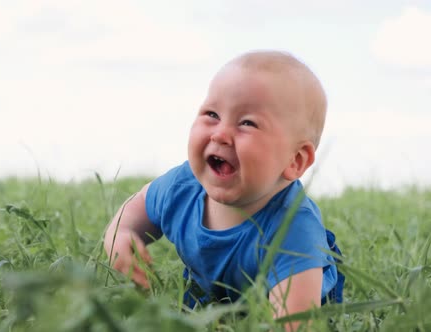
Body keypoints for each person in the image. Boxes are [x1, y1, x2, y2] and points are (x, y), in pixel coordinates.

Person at [103, 50, 344, 324]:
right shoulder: (181, 187)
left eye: (247, 123)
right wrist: (120, 237)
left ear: (295, 160)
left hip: (290, 297)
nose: (220, 134)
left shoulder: (294, 233)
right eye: (212, 114)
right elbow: (129, 218)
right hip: (210, 300)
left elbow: (294, 324)